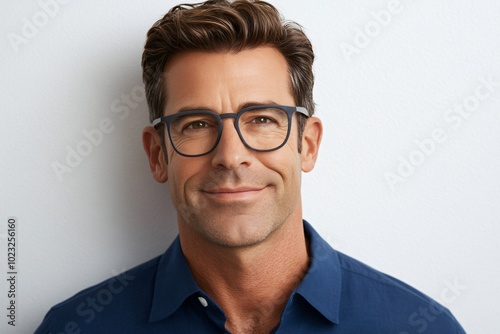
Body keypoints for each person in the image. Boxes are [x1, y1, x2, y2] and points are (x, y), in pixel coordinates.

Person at [35, 1, 465, 333]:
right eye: (197, 124)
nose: (230, 155)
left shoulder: (419, 326)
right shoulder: (77, 327)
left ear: (308, 144)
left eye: (261, 120)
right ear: (158, 154)